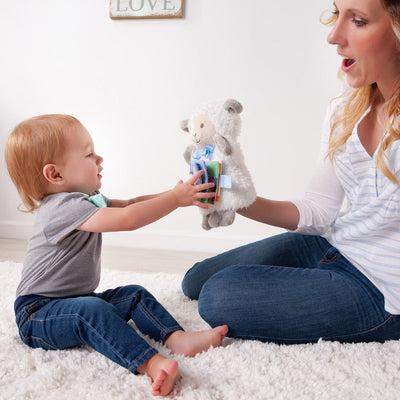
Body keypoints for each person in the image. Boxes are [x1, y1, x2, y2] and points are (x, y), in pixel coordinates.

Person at [182, 0, 400, 345]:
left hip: (382, 287)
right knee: (196, 280)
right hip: (336, 244)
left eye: (357, 21)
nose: (333, 36)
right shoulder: (345, 108)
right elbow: (319, 210)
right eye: (337, 14)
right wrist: (236, 197)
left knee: (217, 295)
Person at [5, 114, 228, 397]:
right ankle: (150, 363)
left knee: (133, 294)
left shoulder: (87, 200)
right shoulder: (60, 207)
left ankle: (178, 338)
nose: (99, 159)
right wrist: (175, 199)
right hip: (37, 314)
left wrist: (177, 195)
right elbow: (127, 219)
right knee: (92, 311)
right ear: (56, 175)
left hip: (73, 301)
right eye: (88, 154)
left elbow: (131, 204)